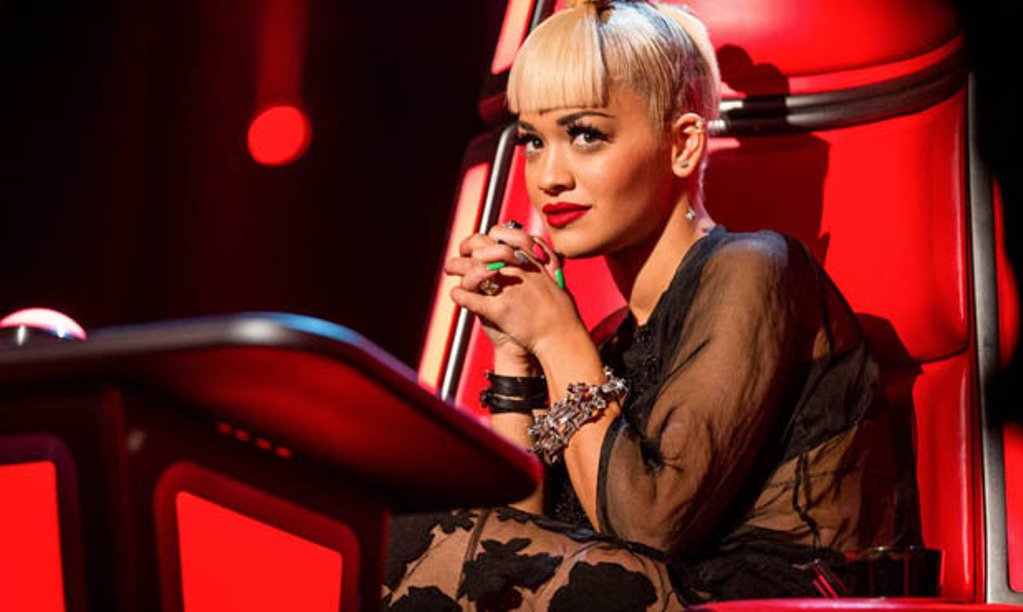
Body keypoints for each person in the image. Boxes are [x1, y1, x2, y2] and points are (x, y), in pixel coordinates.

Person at [383, 0, 920, 609]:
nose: (548, 176)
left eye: (585, 135)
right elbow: (514, 542)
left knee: (401, 543)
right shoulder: (610, 341)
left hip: (757, 601)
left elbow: (648, 530)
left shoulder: (756, 267)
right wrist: (516, 357)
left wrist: (556, 338)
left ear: (684, 144)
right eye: (533, 140)